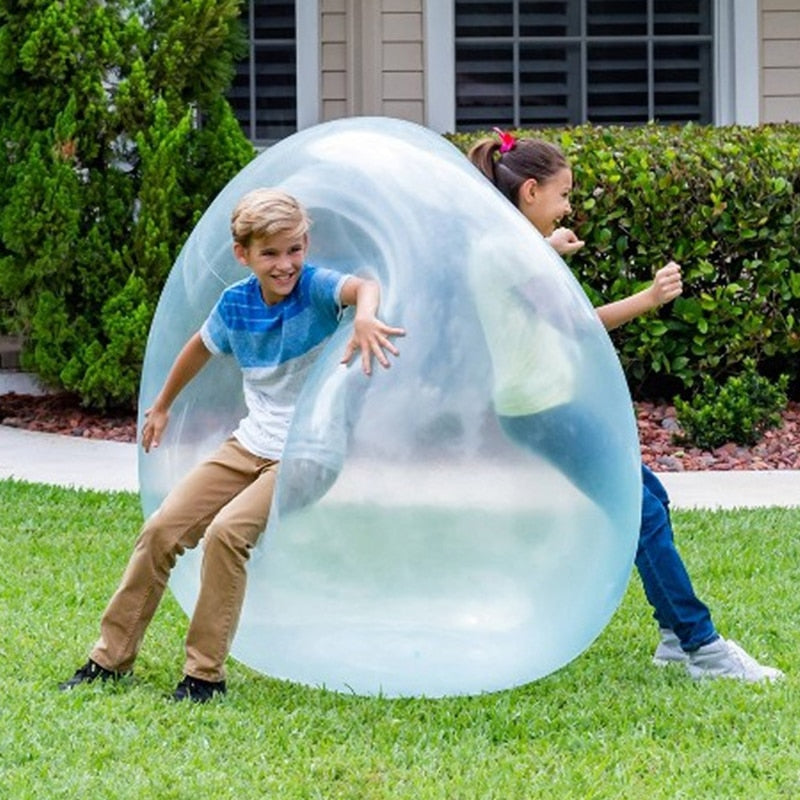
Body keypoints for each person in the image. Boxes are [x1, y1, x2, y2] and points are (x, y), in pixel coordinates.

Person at [59, 188, 405, 702]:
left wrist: (364, 315)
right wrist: (162, 405)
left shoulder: (315, 289)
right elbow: (197, 349)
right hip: (250, 445)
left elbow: (365, 286)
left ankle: (203, 676)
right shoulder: (235, 304)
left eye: (294, 249)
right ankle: (109, 659)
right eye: (270, 253)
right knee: (160, 531)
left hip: (309, 453)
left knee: (226, 535)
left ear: (305, 244)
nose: (285, 264)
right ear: (242, 254)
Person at [467, 130, 784, 682]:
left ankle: (672, 637)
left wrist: (548, 247)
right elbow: (574, 324)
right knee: (642, 513)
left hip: (547, 402)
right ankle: (701, 646)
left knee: (650, 498)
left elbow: (523, 282)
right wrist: (651, 297)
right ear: (531, 192)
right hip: (542, 409)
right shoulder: (504, 250)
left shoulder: (508, 243)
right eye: (563, 195)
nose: (569, 207)